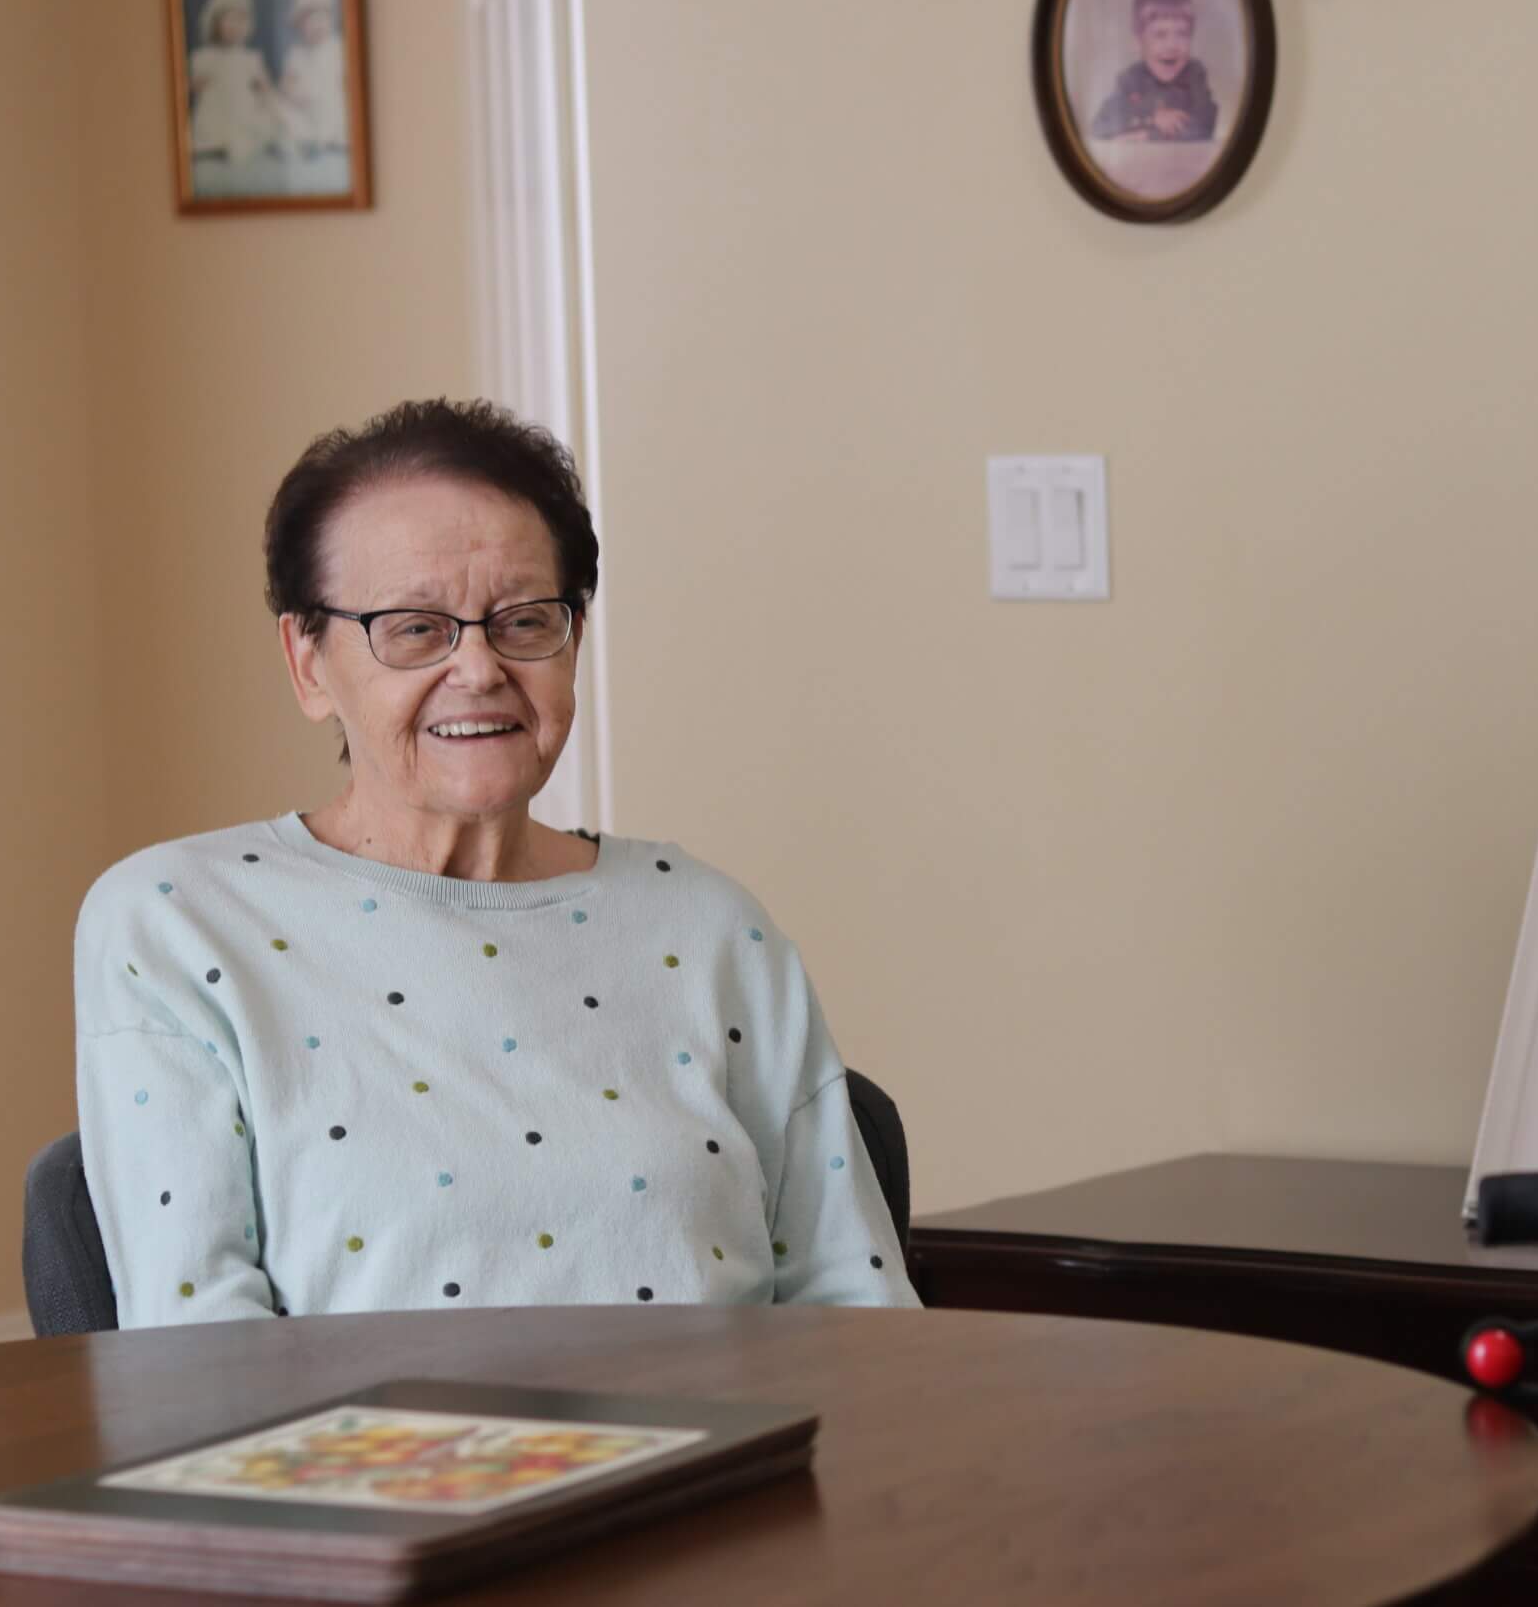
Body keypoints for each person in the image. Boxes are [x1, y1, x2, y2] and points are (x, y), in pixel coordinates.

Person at [74, 399, 917, 1326]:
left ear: (574, 639)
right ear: (307, 660)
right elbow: (199, 1355)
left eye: (522, 621)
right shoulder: (176, 920)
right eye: (414, 628)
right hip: (367, 1469)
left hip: (723, 1464)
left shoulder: (709, 924)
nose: (478, 669)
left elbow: (859, 1306)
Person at [1089, 0, 1219, 143]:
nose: (1172, 45)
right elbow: (1100, 126)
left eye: (1182, 34)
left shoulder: (1195, 75)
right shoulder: (1130, 79)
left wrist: (1146, 135)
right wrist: (1151, 117)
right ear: (1139, 40)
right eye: (1160, 35)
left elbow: (1204, 127)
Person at [189, 0, 283, 162]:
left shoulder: (250, 58)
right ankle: (219, 144)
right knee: (213, 130)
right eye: (229, 19)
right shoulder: (205, 56)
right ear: (216, 23)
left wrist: (267, 95)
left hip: (242, 110)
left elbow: (264, 88)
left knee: (258, 124)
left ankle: (245, 143)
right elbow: (195, 88)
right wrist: (197, 85)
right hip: (217, 108)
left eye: (241, 20)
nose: (235, 26)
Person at [278, 0, 348, 154]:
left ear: (331, 20)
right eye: (310, 20)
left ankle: (330, 139)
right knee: (287, 114)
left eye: (323, 18)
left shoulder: (337, 48)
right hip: (305, 104)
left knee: (340, 115)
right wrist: (291, 92)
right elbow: (288, 82)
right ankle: (305, 142)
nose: (318, 25)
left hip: (330, 100)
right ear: (299, 24)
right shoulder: (296, 53)